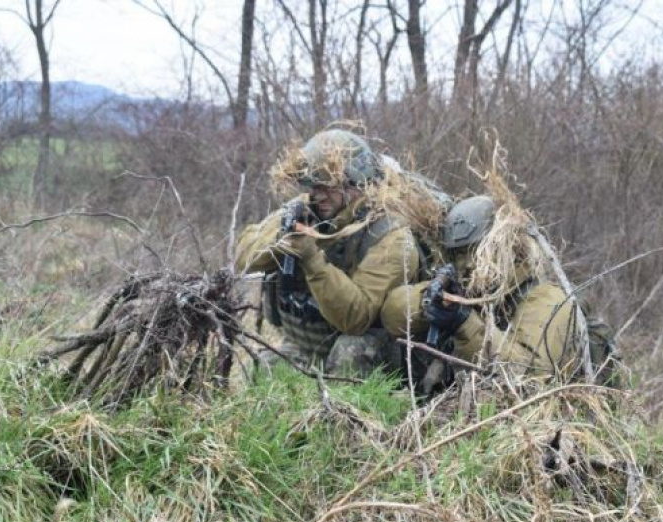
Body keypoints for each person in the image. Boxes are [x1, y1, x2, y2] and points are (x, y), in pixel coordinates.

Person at [235, 129, 420, 375]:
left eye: (328, 186)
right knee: (262, 369)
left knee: (349, 352)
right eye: (312, 184)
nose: (317, 194)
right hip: (307, 345)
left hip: (369, 353)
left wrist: (311, 258)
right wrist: (281, 239)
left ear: (357, 182)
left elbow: (356, 318)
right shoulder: (306, 209)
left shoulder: (389, 234)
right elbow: (243, 257)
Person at [380, 195, 621, 384]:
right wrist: (432, 302)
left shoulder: (547, 298)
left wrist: (464, 323)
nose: (467, 264)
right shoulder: (470, 291)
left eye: (475, 251)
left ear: (506, 246)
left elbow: (530, 376)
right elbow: (392, 316)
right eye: (458, 254)